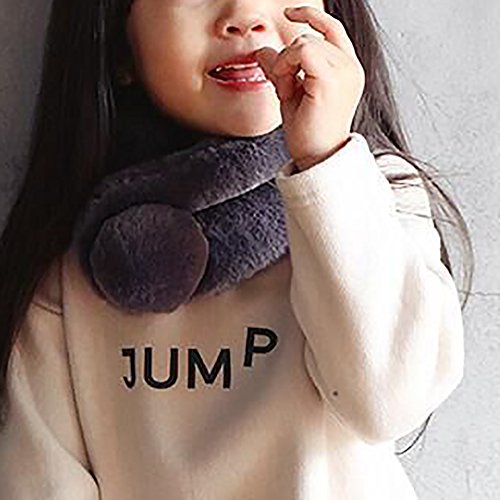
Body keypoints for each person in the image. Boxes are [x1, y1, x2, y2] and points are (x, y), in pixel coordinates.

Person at [0, 0, 473, 498]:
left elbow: (389, 403)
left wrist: (326, 166)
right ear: (119, 44)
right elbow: (42, 481)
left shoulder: (377, 195)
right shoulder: (72, 264)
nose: (246, 13)